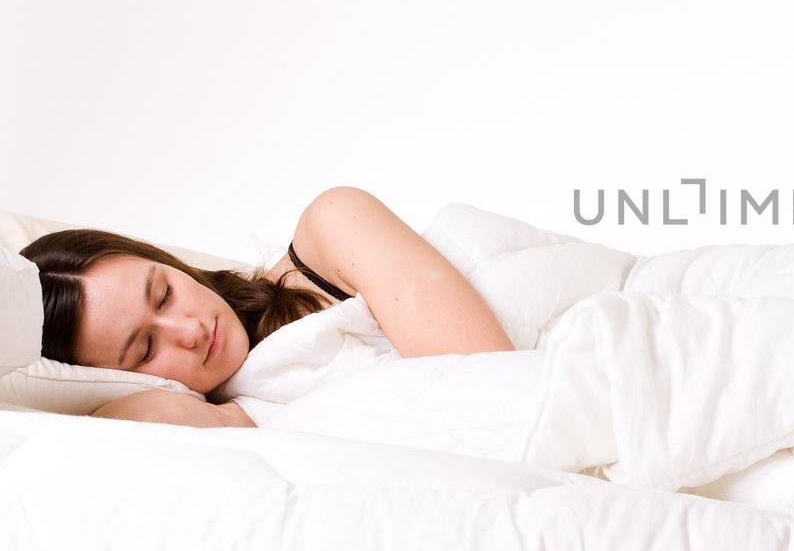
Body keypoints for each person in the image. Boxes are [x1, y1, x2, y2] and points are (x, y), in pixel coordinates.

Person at [21, 186, 515, 428]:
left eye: (165, 292)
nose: (188, 330)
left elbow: (491, 386)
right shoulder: (226, 416)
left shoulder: (331, 228)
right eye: (146, 348)